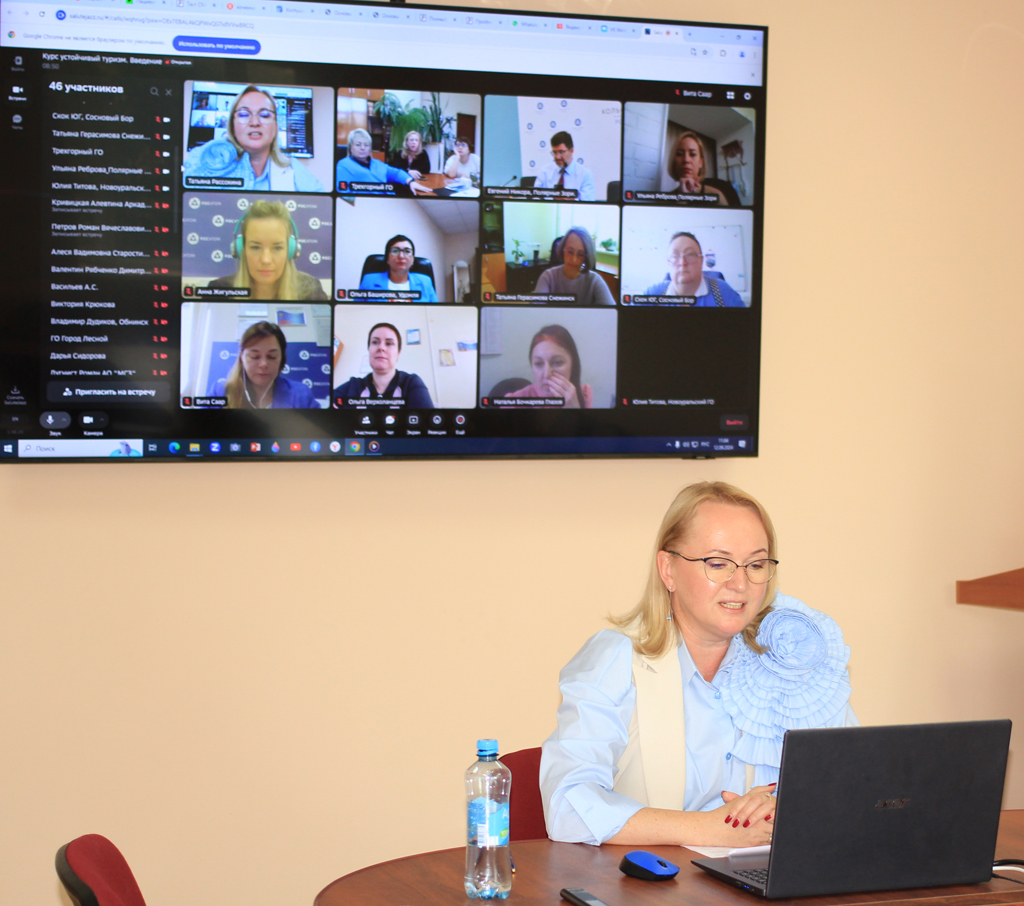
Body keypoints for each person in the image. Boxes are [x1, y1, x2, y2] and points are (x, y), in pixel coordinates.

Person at [540, 481, 855, 846]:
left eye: (756, 564)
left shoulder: (794, 655)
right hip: (652, 877)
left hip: (764, 874)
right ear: (668, 569)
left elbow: (854, 788)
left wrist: (788, 810)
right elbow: (567, 806)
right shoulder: (617, 659)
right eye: (718, 564)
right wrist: (708, 828)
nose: (740, 583)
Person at [183, 85, 325, 192]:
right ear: (232, 126)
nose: (255, 122)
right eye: (244, 114)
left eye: (264, 115)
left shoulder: (293, 168)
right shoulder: (208, 159)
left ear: (275, 126)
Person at [207, 200, 328, 301]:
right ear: (241, 249)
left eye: (277, 248)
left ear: (291, 250)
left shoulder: (312, 292)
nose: (266, 260)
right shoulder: (218, 290)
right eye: (255, 247)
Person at [214, 320, 319, 409]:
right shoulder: (220, 392)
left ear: (282, 358)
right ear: (242, 357)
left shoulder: (302, 395)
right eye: (255, 356)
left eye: (272, 357)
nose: (263, 364)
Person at [334, 322, 434, 407]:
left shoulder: (411, 383)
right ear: (369, 349)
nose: (381, 348)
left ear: (398, 353)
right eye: (375, 342)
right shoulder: (352, 387)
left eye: (389, 343)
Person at [643, 232, 744, 307]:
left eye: (690, 254)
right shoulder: (653, 294)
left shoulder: (723, 293)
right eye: (675, 256)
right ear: (668, 263)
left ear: (701, 261)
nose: (682, 262)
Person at [504, 324, 593, 408]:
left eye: (557, 362)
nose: (546, 374)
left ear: (573, 364)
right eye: (539, 363)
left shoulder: (583, 394)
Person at [533, 228, 616, 306]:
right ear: (562, 249)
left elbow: (612, 312)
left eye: (581, 254)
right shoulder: (548, 276)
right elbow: (536, 309)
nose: (574, 260)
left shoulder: (595, 280)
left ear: (586, 257)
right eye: (570, 252)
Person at [336, 128, 427, 194]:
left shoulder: (377, 163)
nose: (362, 148)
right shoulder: (343, 166)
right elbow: (343, 194)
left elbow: (396, 173)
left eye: (366, 145)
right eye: (358, 145)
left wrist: (411, 182)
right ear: (351, 147)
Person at [357, 235, 439, 302]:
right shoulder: (369, 281)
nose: (401, 256)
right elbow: (358, 312)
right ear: (387, 258)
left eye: (407, 251)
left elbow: (434, 313)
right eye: (395, 251)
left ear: (412, 259)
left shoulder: (425, 282)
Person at [668, 131, 739, 206]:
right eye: (680, 154)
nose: (686, 160)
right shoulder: (665, 200)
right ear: (674, 161)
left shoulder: (717, 195)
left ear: (700, 162)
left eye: (692, 154)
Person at [534, 130, 596, 201]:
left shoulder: (585, 175)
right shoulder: (545, 171)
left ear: (571, 151)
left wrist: (571, 201)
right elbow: (535, 198)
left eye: (561, 152)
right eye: (555, 152)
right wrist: (553, 198)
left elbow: (588, 203)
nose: (557, 157)